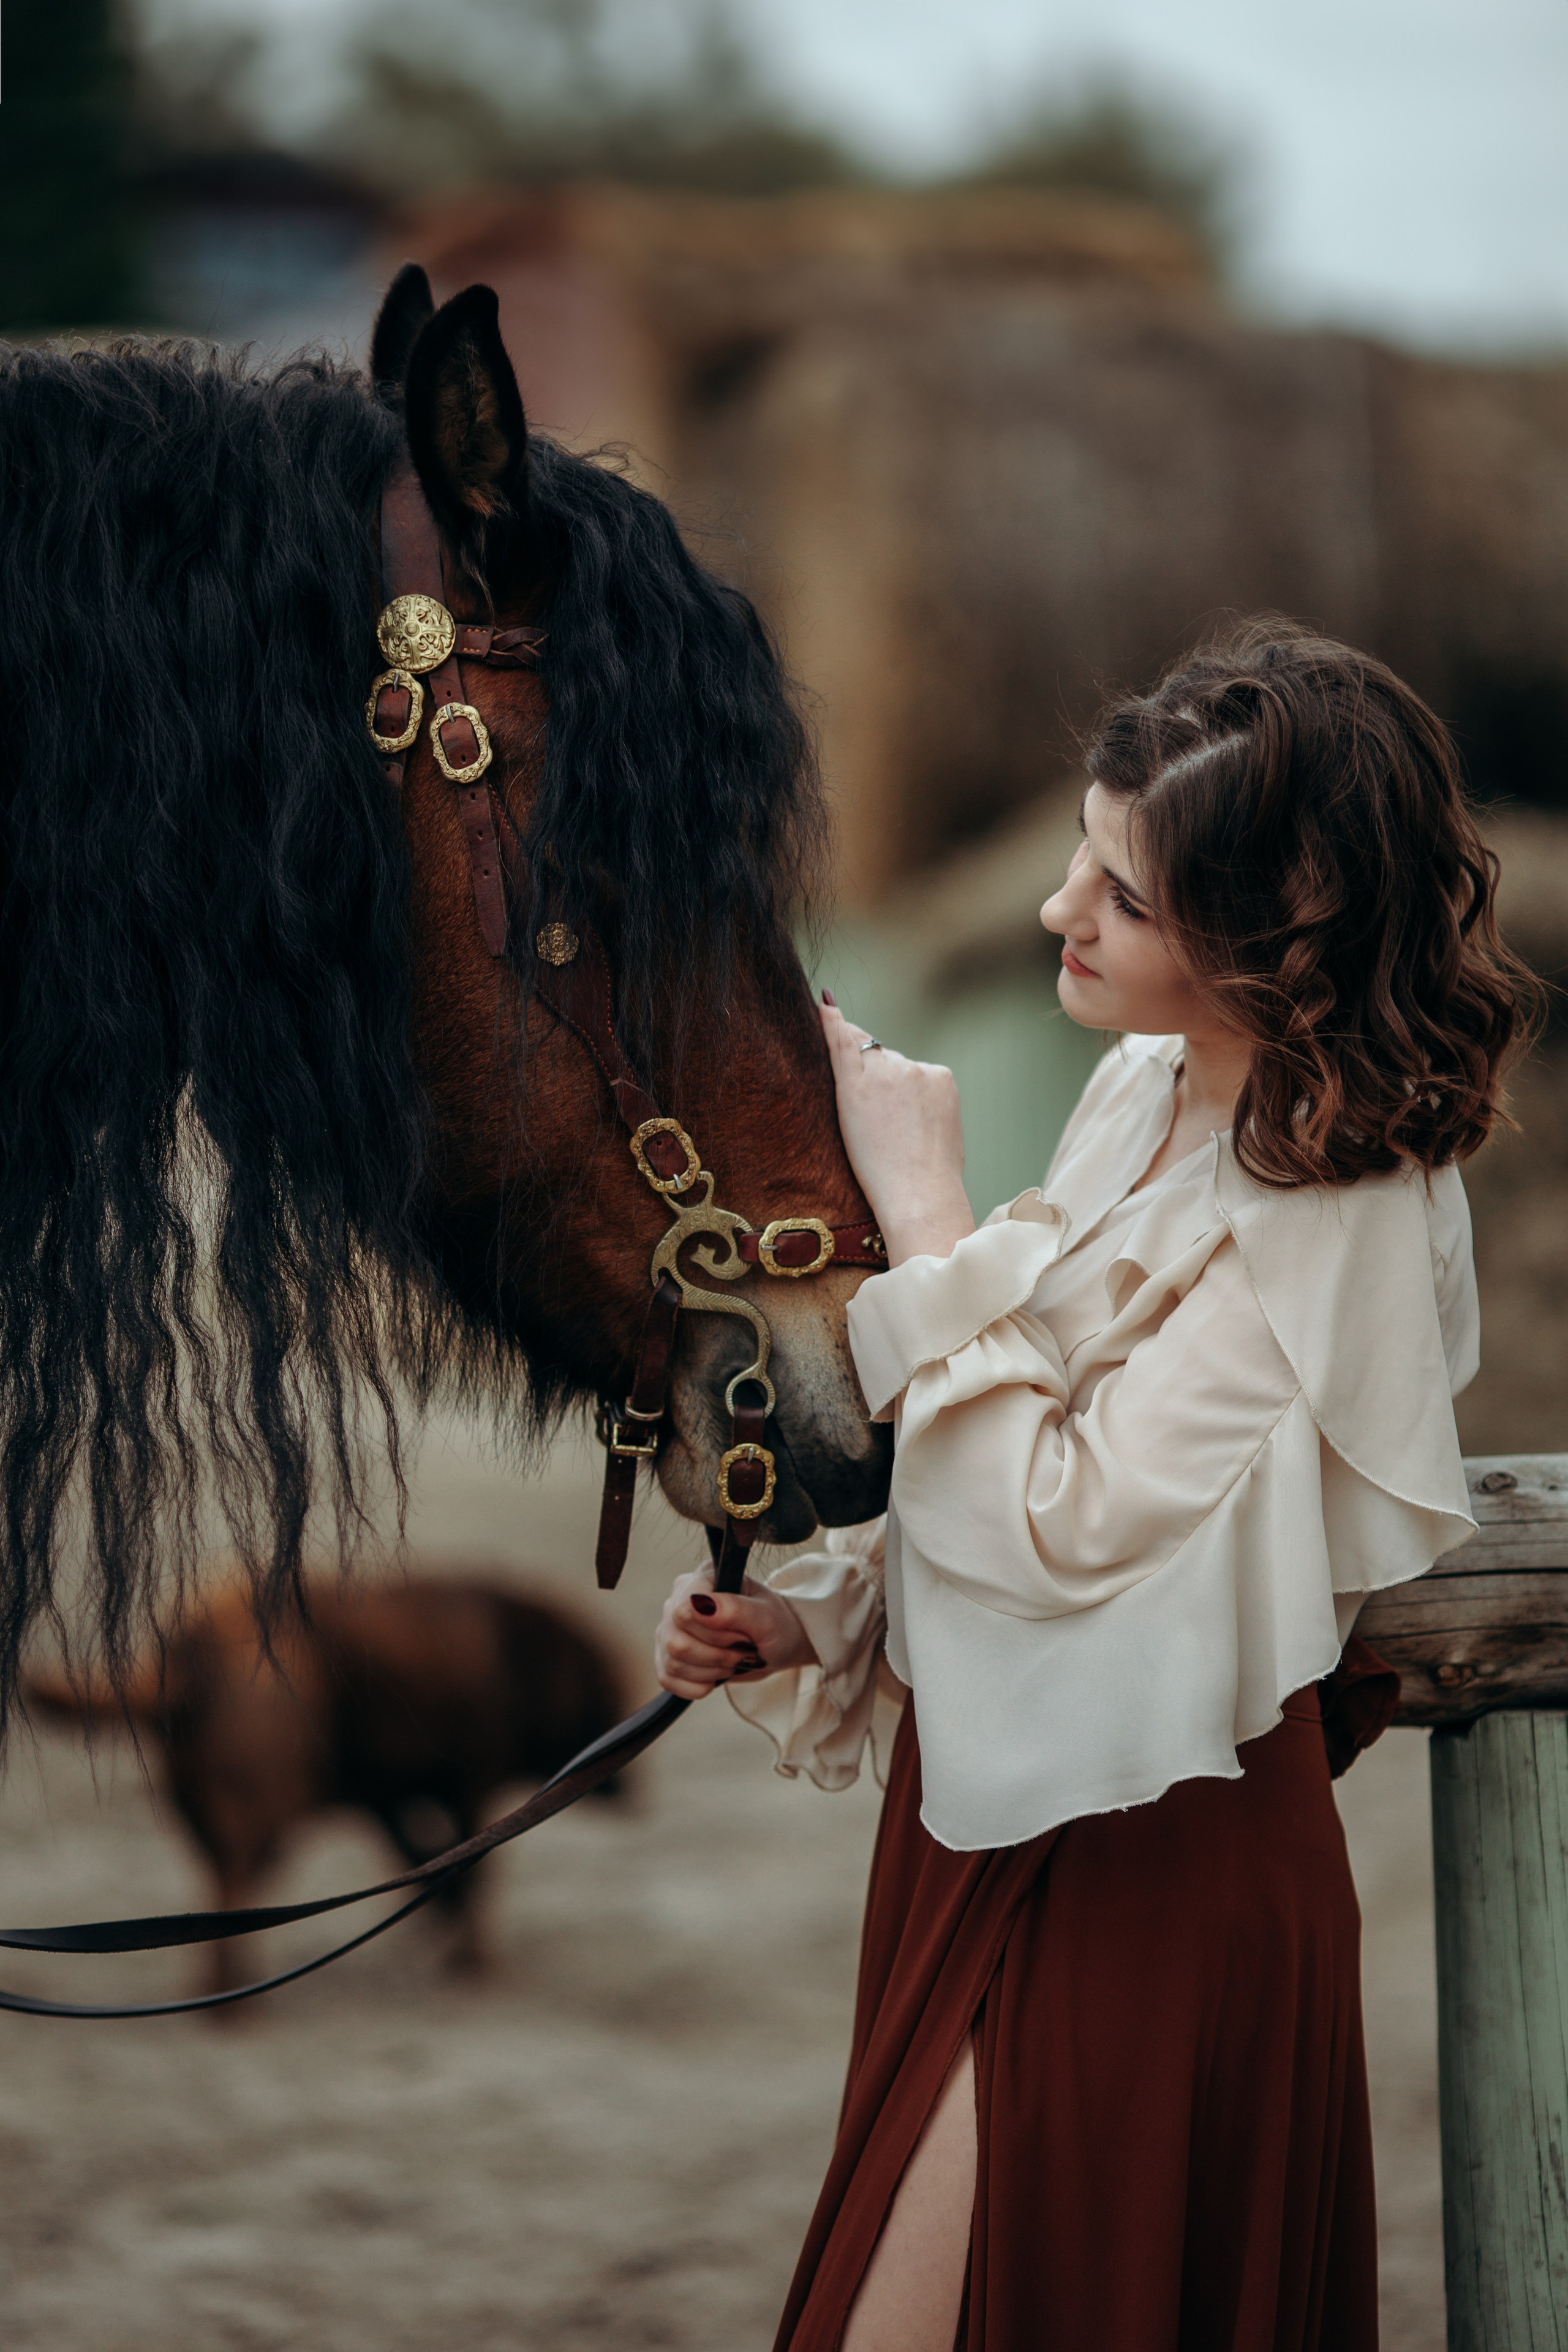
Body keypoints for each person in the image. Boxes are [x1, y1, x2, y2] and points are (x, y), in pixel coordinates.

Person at [654, 622, 1538, 2352]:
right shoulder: (1143, 1089)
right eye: (1082, 857)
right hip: (989, 1809)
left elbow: (1065, 1534)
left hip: (1164, 1854)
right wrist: (820, 1615)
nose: (1061, 910)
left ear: (1273, 943)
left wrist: (926, 1214)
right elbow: (1026, 1434)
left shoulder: (1341, 1213)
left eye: (1120, 899)